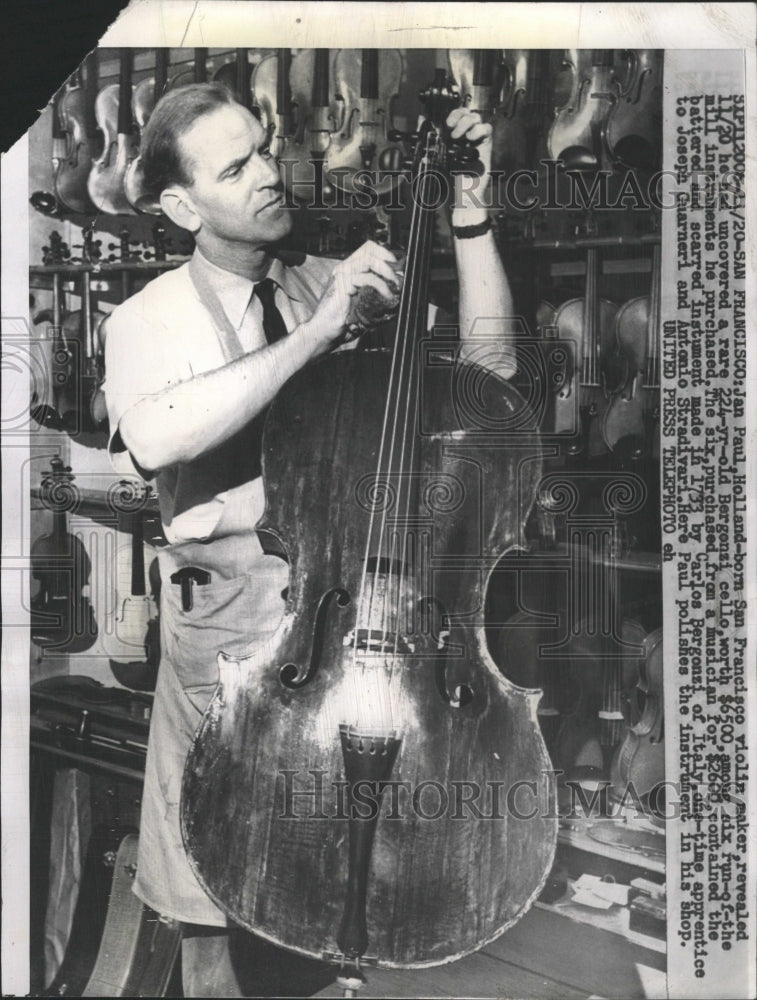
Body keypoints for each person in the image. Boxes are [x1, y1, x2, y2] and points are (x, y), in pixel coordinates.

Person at [103, 79, 517, 996]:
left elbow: (490, 382)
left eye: (264, 149)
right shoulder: (149, 316)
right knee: (211, 919)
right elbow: (156, 437)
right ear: (179, 206)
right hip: (230, 668)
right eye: (235, 165)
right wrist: (322, 330)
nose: (267, 174)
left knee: (339, 915)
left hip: (355, 651)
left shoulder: (327, 279)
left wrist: (471, 219)